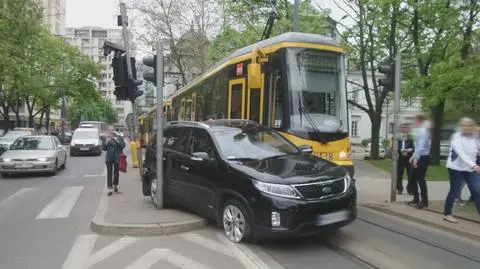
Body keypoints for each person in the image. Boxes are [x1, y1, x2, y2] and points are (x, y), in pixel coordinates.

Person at [444, 117, 480, 222]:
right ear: (461, 127)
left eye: (469, 125)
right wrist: (475, 166)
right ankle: (447, 214)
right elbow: (461, 154)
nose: (467, 127)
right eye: (464, 125)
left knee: (477, 190)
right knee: (455, 191)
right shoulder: (456, 137)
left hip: (470, 169)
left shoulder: (475, 137)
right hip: (456, 168)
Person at [409, 115, 431, 209]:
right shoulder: (419, 131)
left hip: (423, 157)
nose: (414, 123)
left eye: (415, 121)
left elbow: (421, 147)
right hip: (419, 157)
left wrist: (416, 159)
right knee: (413, 178)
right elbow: (417, 146)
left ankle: (424, 201)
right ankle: (416, 198)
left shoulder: (423, 131)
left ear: (419, 121)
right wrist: (413, 157)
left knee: (420, 179)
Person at [102, 125, 126, 196]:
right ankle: (110, 189)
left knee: (116, 173)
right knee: (109, 173)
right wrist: (106, 142)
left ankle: (115, 185)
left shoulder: (119, 137)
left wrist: (117, 140)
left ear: (114, 130)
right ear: (107, 131)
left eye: (112, 130)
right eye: (109, 130)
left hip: (117, 157)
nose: (110, 131)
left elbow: (123, 146)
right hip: (109, 158)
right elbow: (103, 148)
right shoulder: (106, 138)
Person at [397, 124, 414, 194]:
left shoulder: (411, 138)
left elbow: (415, 147)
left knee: (411, 174)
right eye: (404, 128)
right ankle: (399, 189)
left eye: (407, 128)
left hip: (409, 158)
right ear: (402, 129)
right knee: (399, 174)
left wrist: (411, 150)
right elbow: (394, 147)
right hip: (401, 158)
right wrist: (399, 150)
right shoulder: (398, 138)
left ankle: (410, 189)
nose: (405, 129)